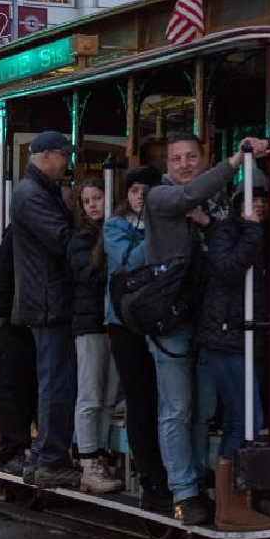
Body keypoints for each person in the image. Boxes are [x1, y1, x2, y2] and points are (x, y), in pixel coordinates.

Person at [145, 133, 269, 525]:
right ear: (167, 166)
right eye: (176, 158)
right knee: (177, 408)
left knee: (205, 409)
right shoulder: (159, 197)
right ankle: (184, 493)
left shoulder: (213, 200)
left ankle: (202, 479)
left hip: (207, 319)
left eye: (191, 157)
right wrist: (234, 163)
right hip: (171, 318)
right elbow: (188, 197)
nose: (184, 164)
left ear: (203, 158)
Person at [196, 188, 270, 531]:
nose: (258, 207)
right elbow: (228, 269)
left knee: (241, 420)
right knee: (246, 418)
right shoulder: (226, 231)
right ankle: (229, 507)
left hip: (250, 340)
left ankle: (232, 503)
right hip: (227, 340)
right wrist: (253, 230)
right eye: (251, 201)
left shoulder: (266, 234)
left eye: (263, 202)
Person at [11, 131, 79, 488]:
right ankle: (51, 458)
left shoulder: (33, 191)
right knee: (56, 379)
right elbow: (61, 239)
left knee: (52, 378)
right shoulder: (31, 195)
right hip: (49, 301)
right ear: (47, 156)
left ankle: (42, 457)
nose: (67, 163)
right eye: (64, 156)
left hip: (45, 299)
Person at [102, 165, 171, 514]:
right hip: (124, 323)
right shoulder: (115, 226)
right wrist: (158, 230)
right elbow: (128, 263)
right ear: (126, 195)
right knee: (140, 399)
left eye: (147, 190)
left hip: (161, 321)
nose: (140, 196)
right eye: (134, 190)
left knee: (164, 399)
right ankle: (149, 477)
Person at [66, 178, 122, 494]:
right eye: (87, 201)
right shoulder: (80, 239)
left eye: (97, 198)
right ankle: (88, 462)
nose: (92, 206)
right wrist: (118, 272)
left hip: (113, 323)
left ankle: (99, 454)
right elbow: (86, 275)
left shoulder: (116, 230)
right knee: (90, 394)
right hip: (89, 324)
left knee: (110, 394)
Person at [0, 225, 36, 478]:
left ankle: (20, 450)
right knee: (14, 390)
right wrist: (11, 315)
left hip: (28, 324)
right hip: (16, 326)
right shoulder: (18, 234)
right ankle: (12, 452)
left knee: (26, 390)